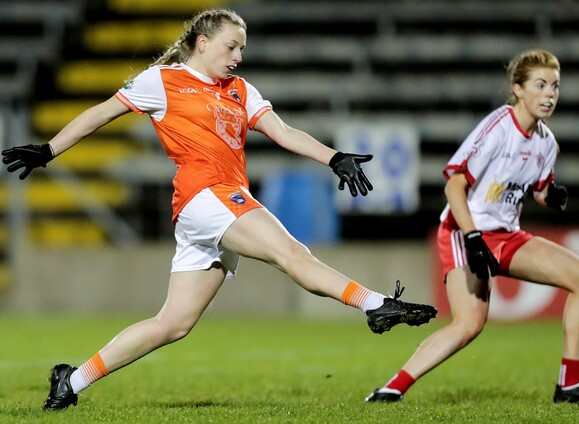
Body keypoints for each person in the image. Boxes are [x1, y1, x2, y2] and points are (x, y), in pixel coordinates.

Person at [2, 9, 438, 410]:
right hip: (205, 195)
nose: (238, 57)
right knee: (291, 253)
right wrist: (49, 149)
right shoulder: (162, 80)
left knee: (173, 324)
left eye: (242, 49)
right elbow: (101, 113)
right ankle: (375, 304)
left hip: (214, 206)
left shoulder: (240, 90)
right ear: (202, 42)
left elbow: (283, 132)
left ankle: (72, 380)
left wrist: (334, 157)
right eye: (231, 47)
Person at [365, 49, 579, 405]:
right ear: (518, 89)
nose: (550, 94)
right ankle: (391, 389)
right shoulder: (498, 128)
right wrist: (472, 237)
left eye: (555, 86)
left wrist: (550, 195)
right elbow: (454, 186)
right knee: (469, 324)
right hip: (463, 230)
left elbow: (538, 188)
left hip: (506, 235)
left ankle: (570, 386)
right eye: (541, 85)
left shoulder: (547, 143)